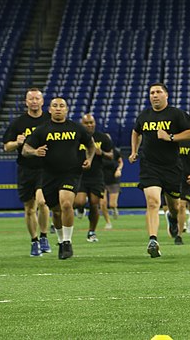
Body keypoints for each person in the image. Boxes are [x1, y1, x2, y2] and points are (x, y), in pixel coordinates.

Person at [22, 98, 95, 260]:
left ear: (67, 110)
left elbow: (91, 144)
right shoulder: (42, 130)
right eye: (55, 106)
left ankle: (68, 242)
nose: (58, 109)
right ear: (50, 109)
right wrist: (35, 152)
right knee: (56, 211)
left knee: (67, 204)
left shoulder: (76, 128)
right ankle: (61, 241)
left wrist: (89, 159)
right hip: (49, 175)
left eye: (61, 106)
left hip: (71, 173)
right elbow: (25, 149)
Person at [130, 83, 190, 256]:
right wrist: (134, 151)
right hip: (149, 166)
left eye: (158, 92)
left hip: (171, 167)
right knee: (153, 202)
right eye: (152, 92)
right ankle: (153, 240)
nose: (155, 95)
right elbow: (135, 132)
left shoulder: (176, 114)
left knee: (174, 206)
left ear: (166, 95)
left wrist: (171, 137)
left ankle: (173, 219)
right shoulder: (144, 115)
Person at [2, 87, 52, 257]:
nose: (34, 101)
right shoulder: (18, 123)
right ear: (26, 102)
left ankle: (44, 236)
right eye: (31, 99)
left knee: (43, 202)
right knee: (29, 209)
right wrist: (16, 142)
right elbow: (6, 146)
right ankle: (34, 240)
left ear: (42, 101)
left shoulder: (49, 120)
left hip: (45, 168)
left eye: (37, 98)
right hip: (26, 168)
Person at [76, 114, 114, 242]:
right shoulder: (76, 138)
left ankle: (91, 232)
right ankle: (80, 208)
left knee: (94, 204)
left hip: (96, 176)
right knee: (79, 201)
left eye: (91, 122)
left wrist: (101, 152)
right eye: (86, 123)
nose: (89, 125)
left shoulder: (102, 138)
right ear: (82, 124)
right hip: (80, 175)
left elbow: (111, 155)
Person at [100, 147, 123, 229]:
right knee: (103, 203)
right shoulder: (99, 152)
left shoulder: (115, 151)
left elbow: (120, 162)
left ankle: (114, 209)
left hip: (113, 179)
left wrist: (119, 169)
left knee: (112, 204)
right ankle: (108, 222)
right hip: (101, 180)